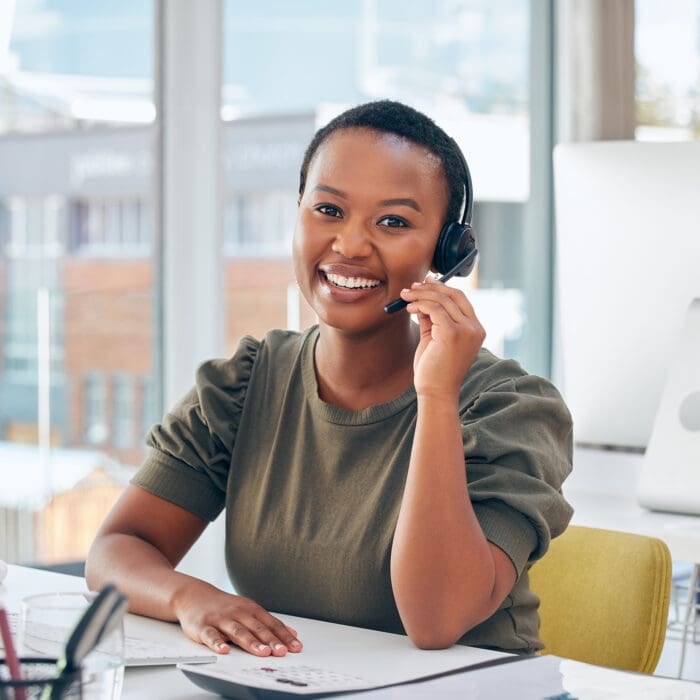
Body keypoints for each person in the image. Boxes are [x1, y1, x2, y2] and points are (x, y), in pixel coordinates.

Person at [85, 99, 573, 659]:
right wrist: (187, 598)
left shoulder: (511, 408)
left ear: (449, 252)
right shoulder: (244, 384)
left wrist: (436, 397)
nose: (350, 245)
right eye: (328, 210)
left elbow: (435, 621)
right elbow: (117, 549)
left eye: (393, 221)